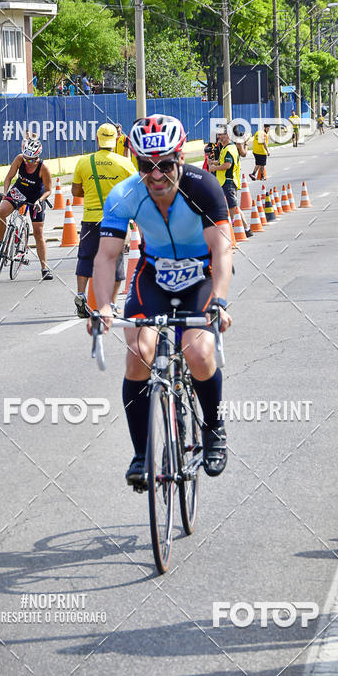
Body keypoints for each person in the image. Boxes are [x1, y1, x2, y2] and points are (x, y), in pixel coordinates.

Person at [90, 114, 233, 484]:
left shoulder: (204, 188)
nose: (156, 175)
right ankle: (142, 454)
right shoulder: (125, 194)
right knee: (139, 354)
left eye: (165, 165)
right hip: (153, 276)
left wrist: (218, 300)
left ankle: (213, 430)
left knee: (199, 353)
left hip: (198, 277)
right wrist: (103, 305)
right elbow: (107, 256)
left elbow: (222, 250)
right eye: (146, 166)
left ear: (180, 159)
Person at [71, 123, 136, 318]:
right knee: (115, 260)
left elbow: (75, 191)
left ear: (97, 139)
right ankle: (112, 303)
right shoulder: (124, 163)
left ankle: (81, 295)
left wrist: (90, 191)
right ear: (116, 139)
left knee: (85, 257)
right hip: (115, 221)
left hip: (90, 219)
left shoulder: (84, 162)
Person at [0, 138, 54, 280]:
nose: (27, 161)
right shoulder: (20, 159)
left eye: (31, 159)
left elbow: (49, 190)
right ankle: (1, 242)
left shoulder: (43, 168)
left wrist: (40, 201)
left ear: (37, 157)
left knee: (38, 232)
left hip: (36, 197)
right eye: (26, 158)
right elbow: (8, 177)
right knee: (1, 211)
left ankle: (44, 268)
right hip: (19, 190)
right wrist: (5, 193)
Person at [208, 128, 251, 236]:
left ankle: (239, 228)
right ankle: (243, 228)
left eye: (220, 135)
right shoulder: (226, 148)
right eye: (217, 135)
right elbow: (223, 161)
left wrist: (214, 168)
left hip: (228, 182)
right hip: (225, 182)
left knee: (233, 206)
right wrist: (214, 162)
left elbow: (227, 165)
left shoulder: (230, 148)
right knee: (232, 206)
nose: (218, 137)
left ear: (227, 135)